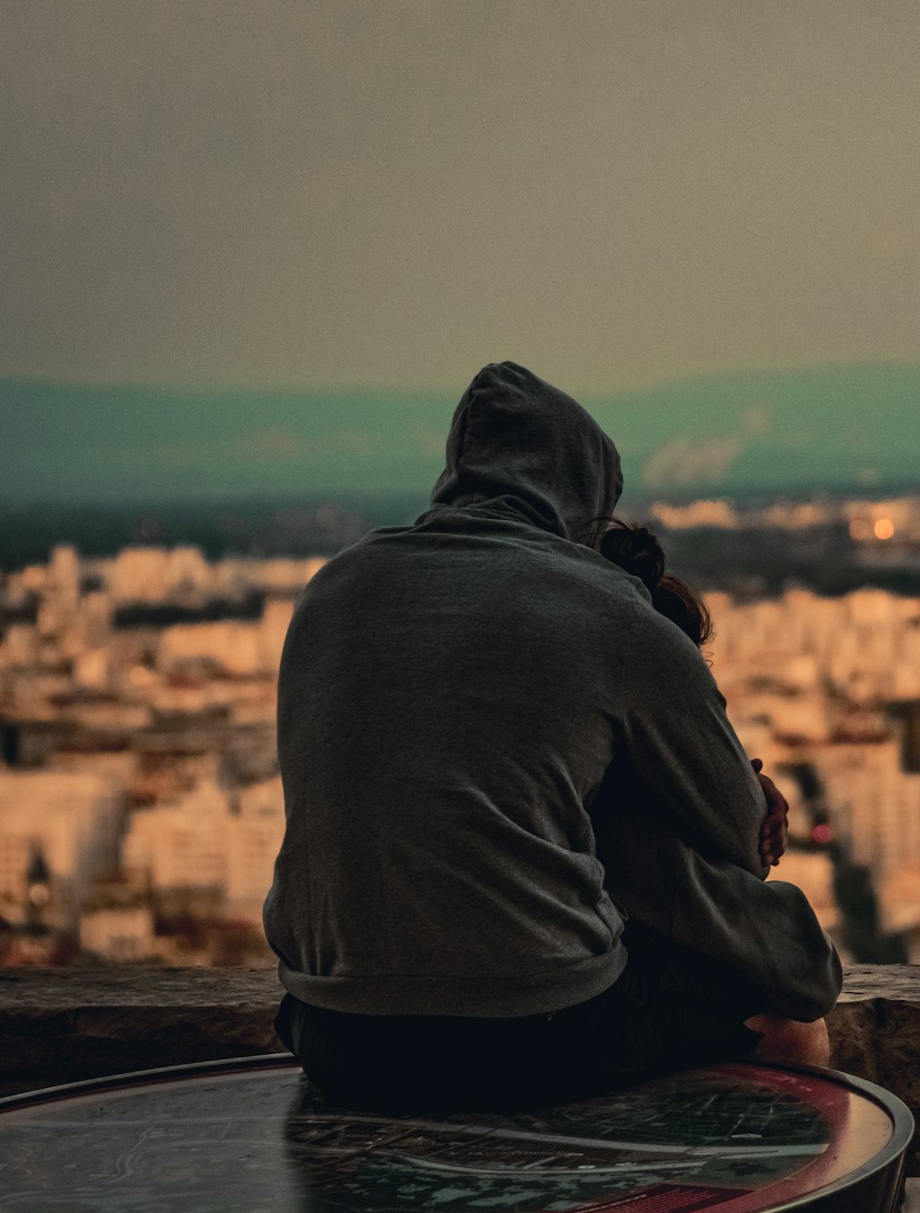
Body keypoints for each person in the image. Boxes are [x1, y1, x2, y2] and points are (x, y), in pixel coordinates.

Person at [264, 361, 839, 1110]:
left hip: (326, 1029)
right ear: (588, 496)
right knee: (790, 1031)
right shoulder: (611, 611)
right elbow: (738, 835)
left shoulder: (331, 589)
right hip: (536, 1025)